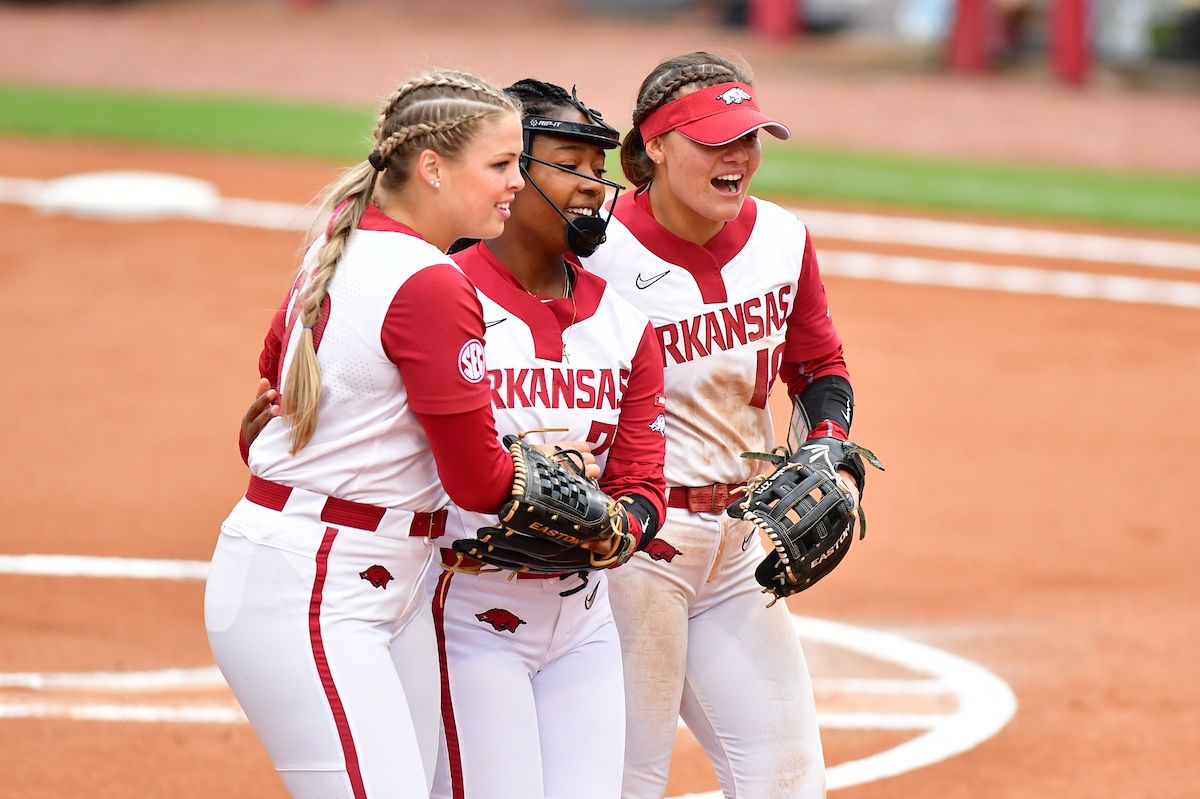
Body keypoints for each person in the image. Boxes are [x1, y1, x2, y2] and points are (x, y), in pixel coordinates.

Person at [205, 69, 549, 799]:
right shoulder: (427, 280)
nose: (518, 181)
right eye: (500, 164)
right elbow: (478, 481)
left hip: (370, 577)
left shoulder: (346, 240)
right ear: (432, 167)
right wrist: (580, 502)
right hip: (319, 588)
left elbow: (274, 398)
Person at [582, 52, 864, 798]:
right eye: (715, 140)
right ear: (654, 146)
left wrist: (830, 451)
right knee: (623, 783)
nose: (739, 156)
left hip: (739, 547)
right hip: (632, 550)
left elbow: (817, 366)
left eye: (750, 136)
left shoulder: (782, 238)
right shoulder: (592, 248)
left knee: (789, 780)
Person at [430, 78, 667, 799]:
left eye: (601, 172)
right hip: (465, 615)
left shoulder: (627, 327)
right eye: (571, 165)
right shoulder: (441, 295)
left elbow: (642, 483)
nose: (594, 187)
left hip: (583, 622)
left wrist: (616, 527)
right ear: (510, 172)